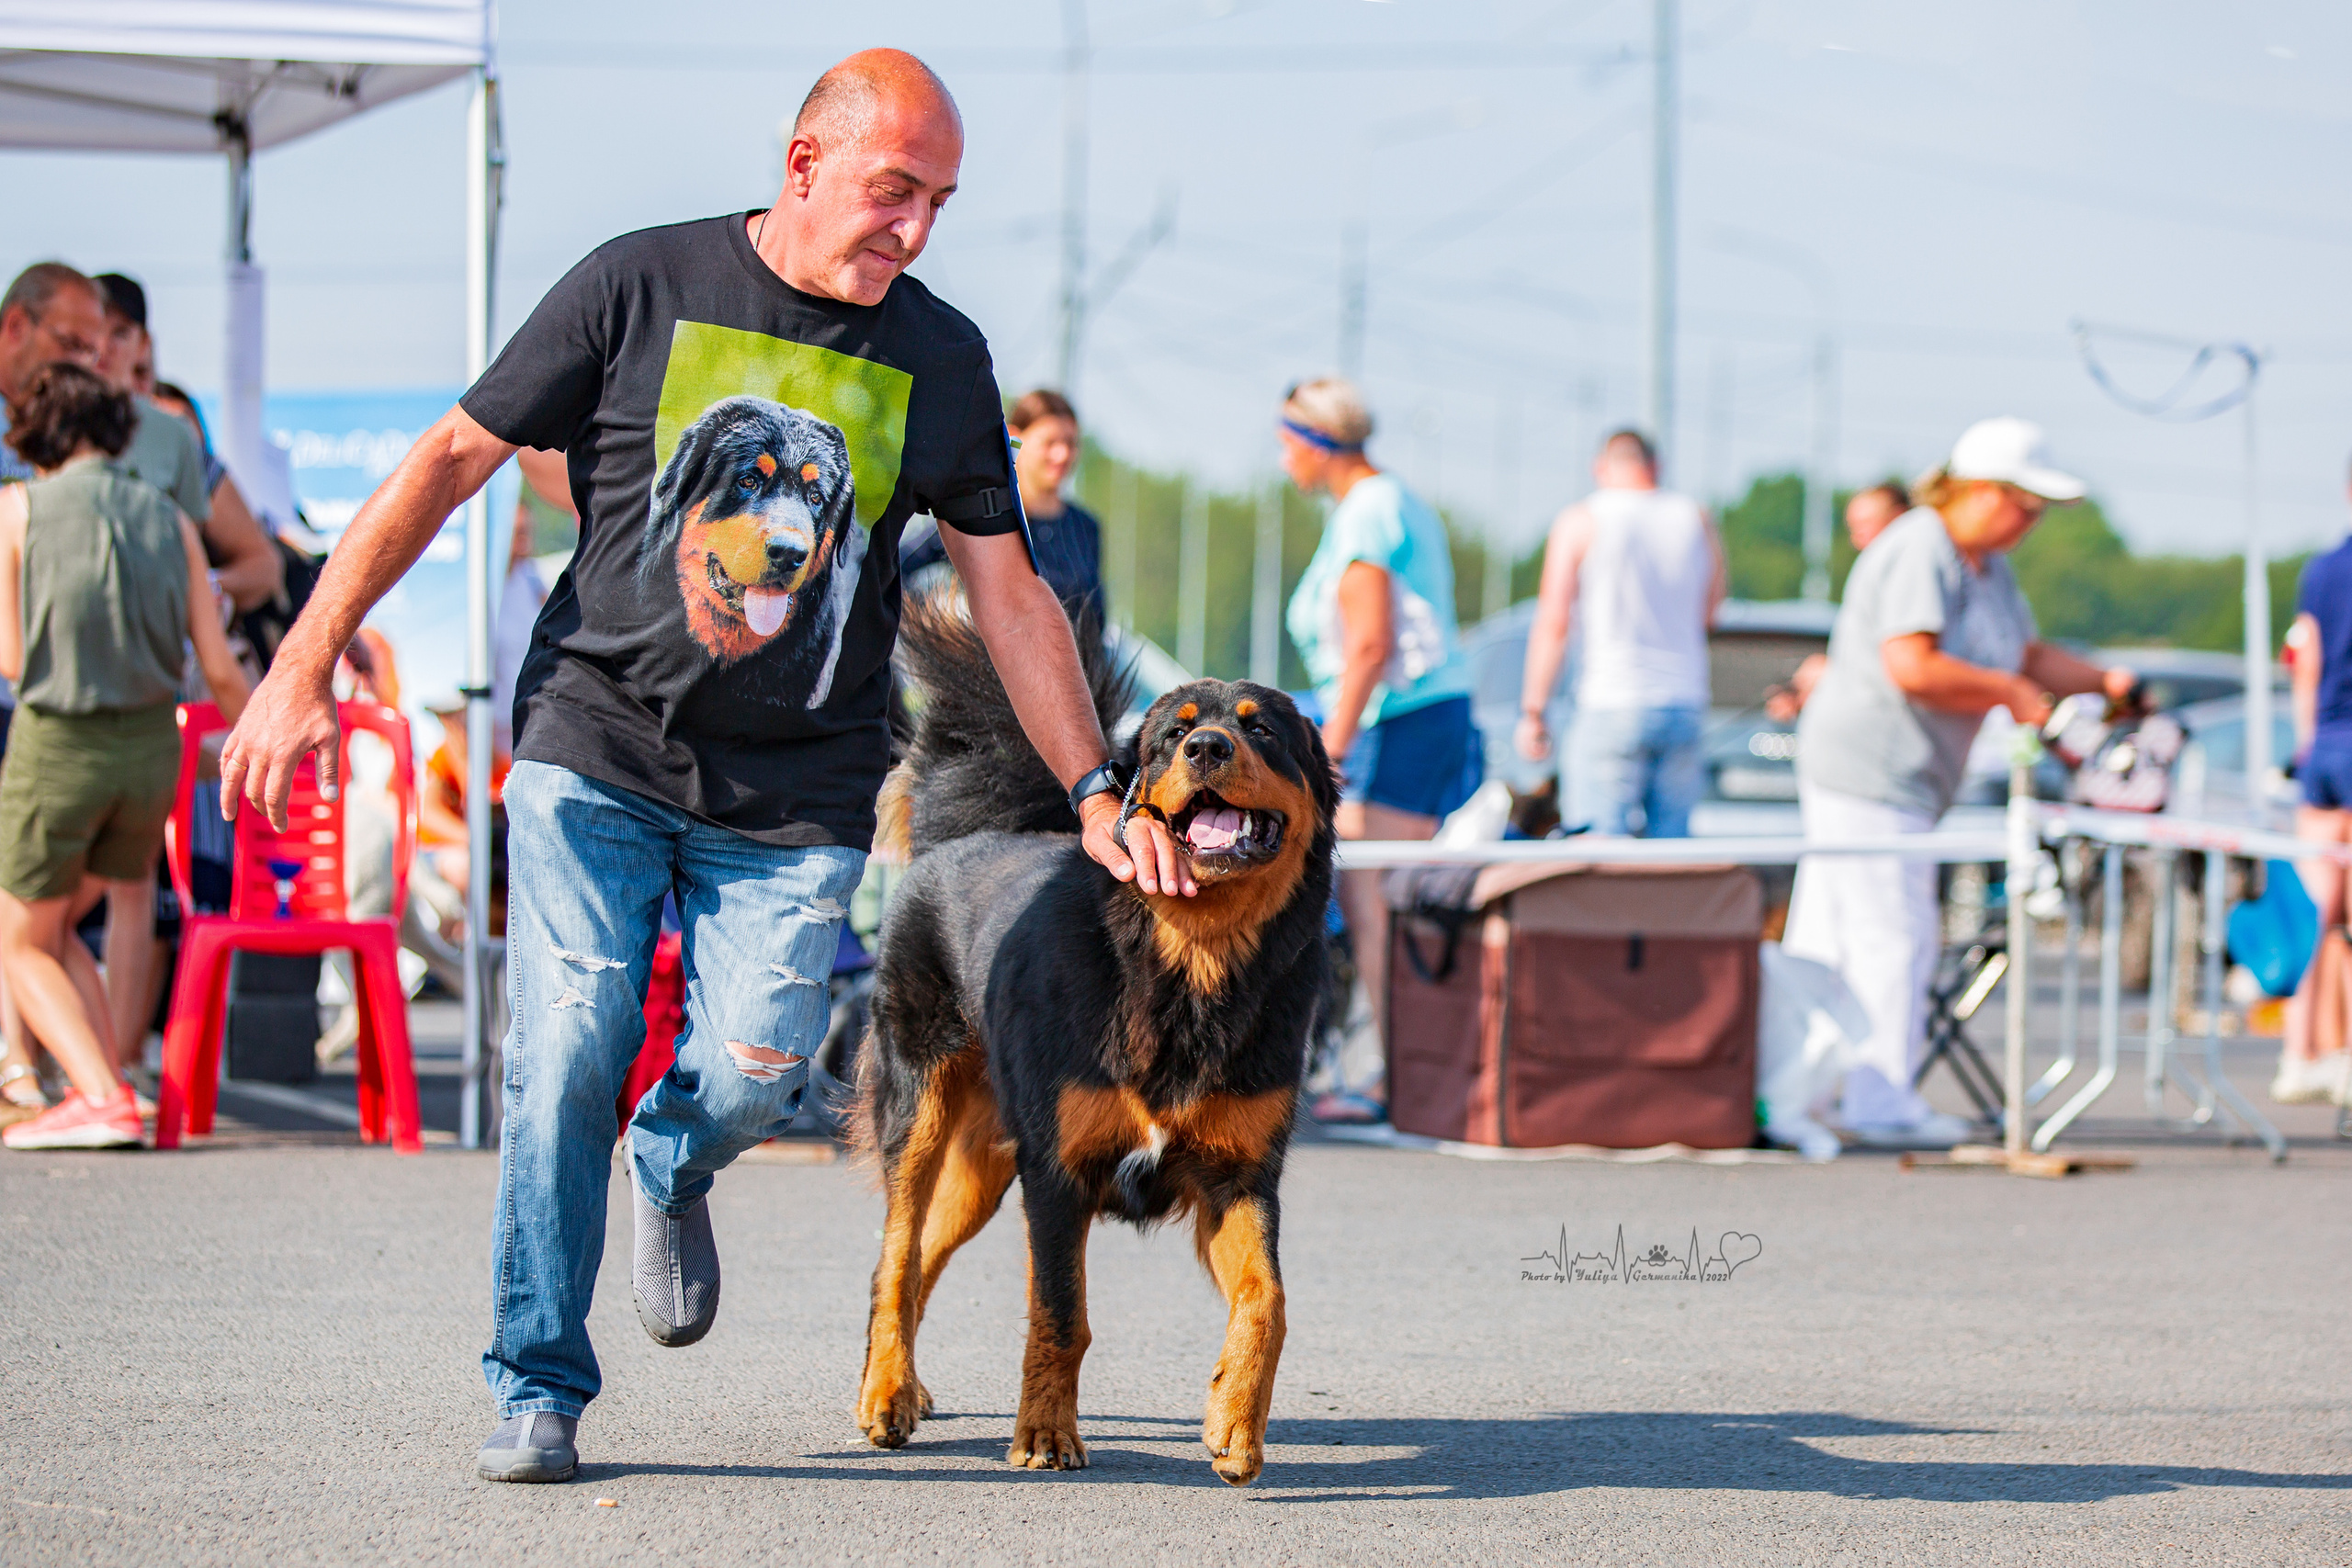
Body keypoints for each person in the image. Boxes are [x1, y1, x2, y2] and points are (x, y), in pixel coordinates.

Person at [217, 48, 1191, 1485]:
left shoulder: (941, 357)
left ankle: (673, 1157)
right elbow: (448, 458)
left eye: (939, 204)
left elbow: (1011, 594)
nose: (914, 230)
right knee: (568, 1042)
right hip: (593, 744)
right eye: (892, 191)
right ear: (804, 164)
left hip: (795, 795)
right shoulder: (636, 285)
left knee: (757, 1072)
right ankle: (539, 1376)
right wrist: (301, 660)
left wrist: (1099, 791)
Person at [1781, 417, 2132, 1147]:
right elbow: (1912, 666)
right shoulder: (1920, 545)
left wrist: (2109, 681)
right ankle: (1877, 1101)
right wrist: (2007, 693)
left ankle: (1806, 1092)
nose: (2031, 523)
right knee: (1893, 939)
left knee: (1844, 937)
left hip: (1899, 781)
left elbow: (2028, 653)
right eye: (2025, 505)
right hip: (1869, 771)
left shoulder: (1986, 565)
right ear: (1979, 490)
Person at [0, 364, 251, 1151]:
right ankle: (102, 1076)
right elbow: (215, 666)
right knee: (62, 920)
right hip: (151, 750)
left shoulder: (18, 509)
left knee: (17, 936)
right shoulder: (171, 520)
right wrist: (253, 739)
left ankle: (102, 1093)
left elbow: (12, 659)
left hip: (59, 743)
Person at [1278, 376, 1476, 1122]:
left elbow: (1368, 645)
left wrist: (1324, 756)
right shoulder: (1385, 502)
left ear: (1315, 442)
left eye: (1285, 443)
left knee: (1372, 894)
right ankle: (1395, 1068)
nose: (1281, 460)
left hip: (1402, 719)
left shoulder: (1368, 513)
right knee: (1370, 894)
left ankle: (1399, 1074)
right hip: (1406, 718)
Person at [1516, 428, 1725, 838]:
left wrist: (1534, 711)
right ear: (1656, 466)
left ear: (1600, 468)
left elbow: (1554, 620)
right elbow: (1711, 610)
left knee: (1598, 850)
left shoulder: (1582, 518)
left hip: (1612, 698)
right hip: (1685, 701)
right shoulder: (1696, 517)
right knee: (1672, 854)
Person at [2275, 465, 2352, 1104]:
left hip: (2324, 749)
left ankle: (2303, 1051)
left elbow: (2308, 663)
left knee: (2324, 912)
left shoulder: (2321, 569)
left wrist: (2306, 750)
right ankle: (2342, 1053)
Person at [899, 387, 1102, 614]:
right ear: (1014, 437)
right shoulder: (980, 512)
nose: (1063, 454)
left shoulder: (1085, 527)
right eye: (1050, 442)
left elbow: (1096, 617)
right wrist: (929, 622)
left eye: (1070, 443)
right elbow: (897, 565)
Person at [1765, 480, 1912, 723]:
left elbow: (1907, 665)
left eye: (1865, 526)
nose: (1856, 541)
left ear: (1899, 518)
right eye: (1853, 530)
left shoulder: (1914, 575)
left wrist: (1831, 675)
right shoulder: (1880, 576)